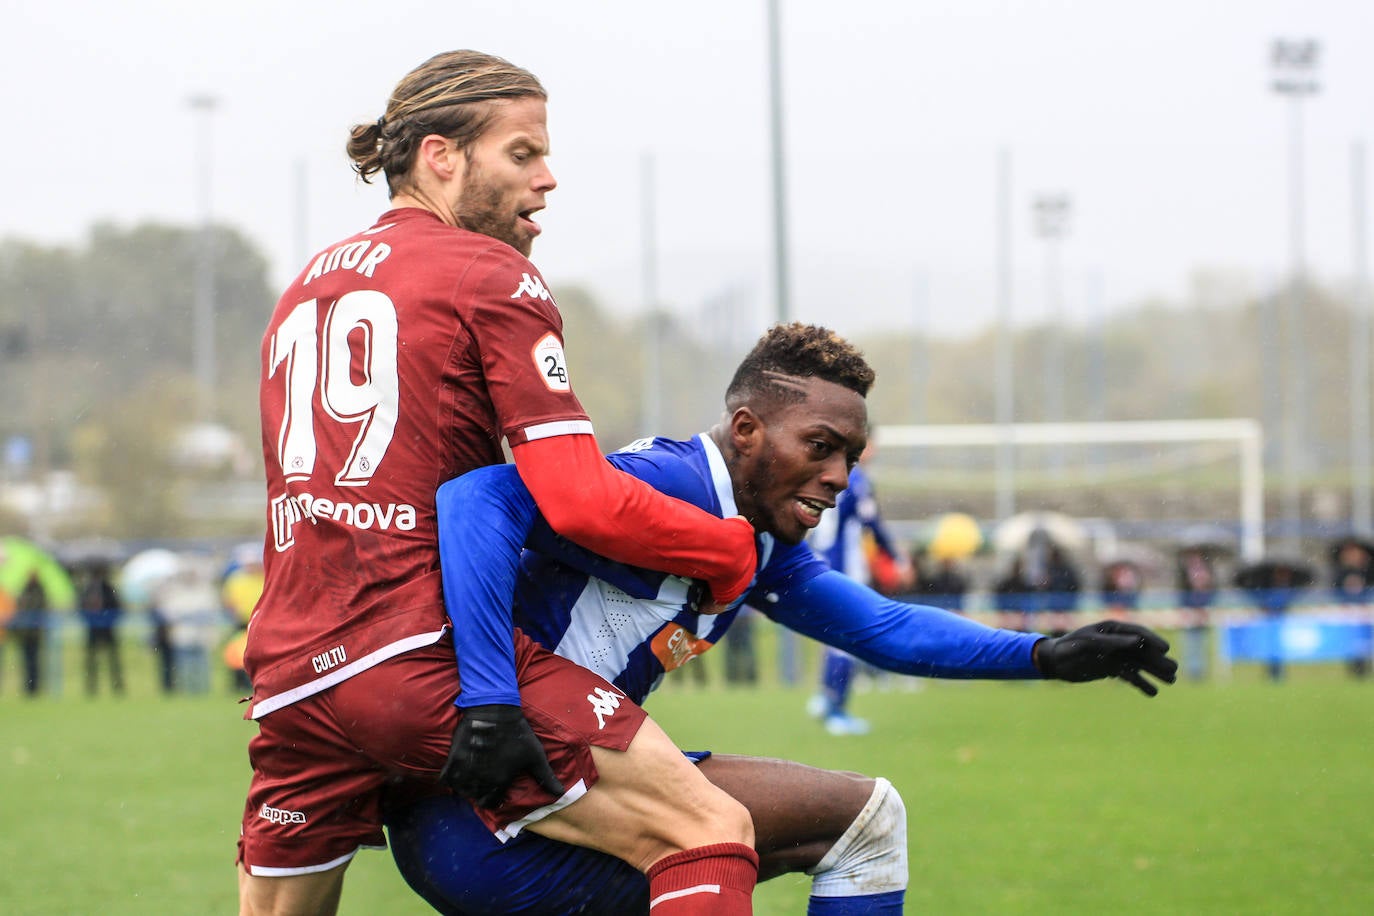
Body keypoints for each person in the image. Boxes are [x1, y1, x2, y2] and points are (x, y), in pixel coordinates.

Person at [385, 322, 1179, 914]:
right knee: (864, 821)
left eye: (850, 457)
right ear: (746, 431)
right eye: (821, 446)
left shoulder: (761, 541)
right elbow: (477, 497)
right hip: (494, 802)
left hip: (527, 810)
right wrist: (489, 699)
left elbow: (881, 629)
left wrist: (1044, 654)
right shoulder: (675, 484)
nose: (836, 476)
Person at [237, 50, 762, 916]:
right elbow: (579, 497)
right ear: (441, 156)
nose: (548, 179)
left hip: (290, 672)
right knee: (708, 834)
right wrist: (725, 547)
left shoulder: (307, 283)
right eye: (522, 154)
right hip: (419, 654)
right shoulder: (490, 273)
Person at [805, 440, 916, 735]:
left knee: (834, 637)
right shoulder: (857, 479)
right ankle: (836, 711)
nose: (874, 450)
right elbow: (872, 523)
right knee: (850, 639)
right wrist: (897, 558)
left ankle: (826, 697)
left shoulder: (824, 474)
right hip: (844, 568)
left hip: (819, 562)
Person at [76, 562, 125, 696]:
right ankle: (91, 688)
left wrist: (107, 619)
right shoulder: (87, 590)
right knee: (91, 661)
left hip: (108, 629)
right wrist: (91, 618)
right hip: (93, 629)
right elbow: (80, 607)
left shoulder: (109, 589)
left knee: (113, 660)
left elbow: (118, 607)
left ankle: (117, 687)